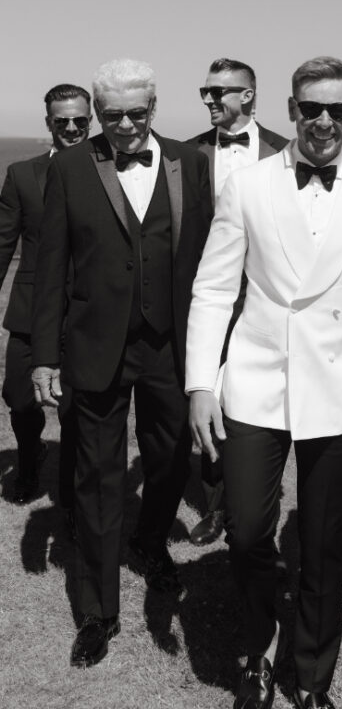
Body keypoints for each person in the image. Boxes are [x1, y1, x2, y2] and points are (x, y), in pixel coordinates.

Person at [186, 56, 342, 709]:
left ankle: (312, 677)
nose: (323, 120)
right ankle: (262, 640)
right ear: (290, 109)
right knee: (245, 530)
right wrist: (201, 383)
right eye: (311, 107)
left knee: (323, 542)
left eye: (337, 109)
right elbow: (213, 287)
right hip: (255, 381)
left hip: (339, 388)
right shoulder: (249, 186)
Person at [31, 58, 212, 668]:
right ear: (98, 114)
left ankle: (150, 540)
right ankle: (97, 613)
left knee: (168, 461)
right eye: (113, 116)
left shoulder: (194, 161)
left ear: (155, 107)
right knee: (97, 478)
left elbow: (213, 260)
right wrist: (41, 356)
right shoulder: (74, 168)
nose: (128, 125)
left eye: (138, 112)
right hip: (95, 345)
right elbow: (51, 266)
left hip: (171, 345)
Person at [187, 57, 288, 546]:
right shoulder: (184, 156)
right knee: (207, 397)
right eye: (204, 92)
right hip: (208, 299)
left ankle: (254, 492)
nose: (208, 99)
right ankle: (215, 503)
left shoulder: (287, 153)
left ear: (247, 95)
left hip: (267, 302)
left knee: (256, 401)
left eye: (218, 92)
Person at [0, 84, 90, 509]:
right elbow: (3, 242)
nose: (71, 128)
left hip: (88, 310)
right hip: (32, 308)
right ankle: (31, 453)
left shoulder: (111, 171)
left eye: (80, 121)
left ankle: (72, 490)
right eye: (62, 121)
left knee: (78, 408)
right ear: (48, 123)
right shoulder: (21, 174)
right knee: (18, 396)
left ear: (91, 120)